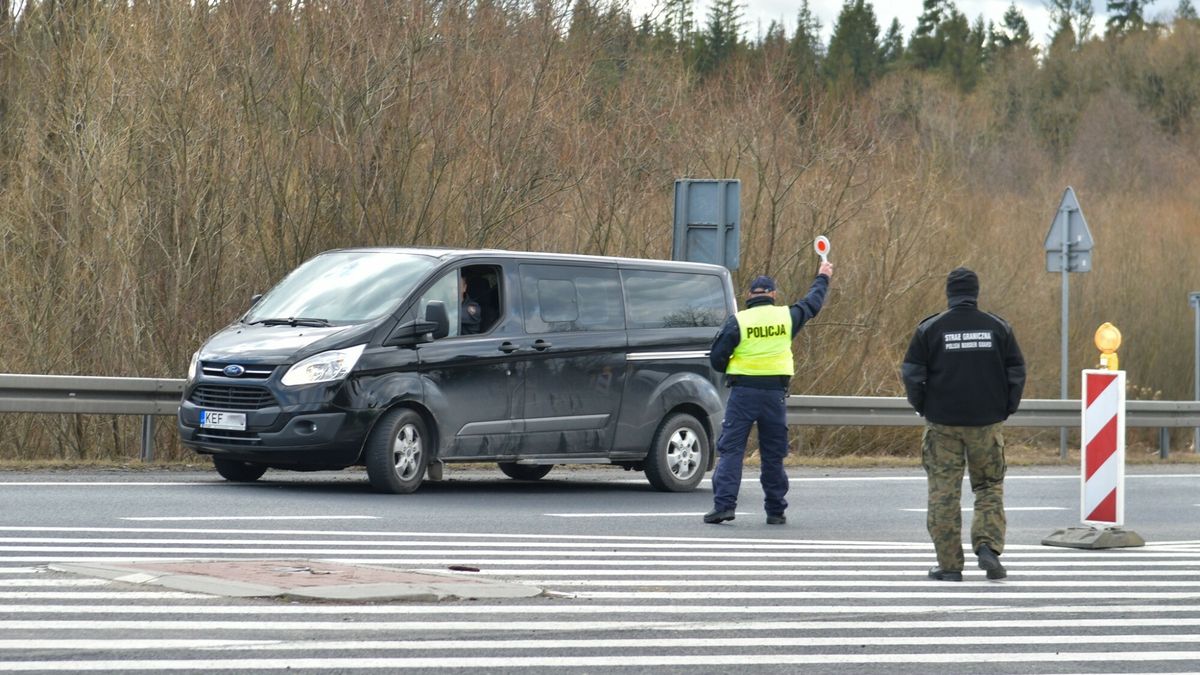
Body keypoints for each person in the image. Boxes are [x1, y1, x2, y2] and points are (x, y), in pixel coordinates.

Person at [901, 267, 1026, 581]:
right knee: (988, 488)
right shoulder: (998, 328)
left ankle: (949, 565)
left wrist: (924, 407)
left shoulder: (930, 329)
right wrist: (1006, 408)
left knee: (944, 493)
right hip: (986, 423)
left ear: (949, 293)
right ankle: (987, 547)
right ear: (976, 292)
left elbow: (913, 374)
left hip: (942, 424)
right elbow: (1016, 372)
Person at [704, 261, 833, 526]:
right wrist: (823, 276)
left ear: (750, 296)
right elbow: (812, 304)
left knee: (731, 451)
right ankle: (776, 511)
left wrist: (733, 366)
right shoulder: (786, 317)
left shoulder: (738, 320)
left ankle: (724, 507)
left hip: (743, 393)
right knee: (773, 455)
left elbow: (716, 359)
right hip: (774, 395)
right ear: (773, 295)